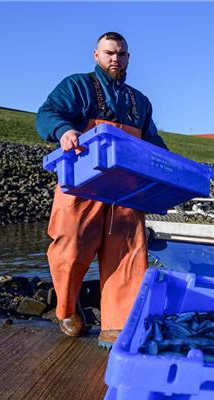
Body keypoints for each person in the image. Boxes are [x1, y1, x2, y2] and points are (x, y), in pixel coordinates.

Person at [35, 31, 167, 348]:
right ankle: (67, 308)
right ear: (96, 55)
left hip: (127, 192)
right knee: (70, 247)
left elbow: (152, 143)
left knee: (128, 255)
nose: (115, 59)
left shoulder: (140, 102)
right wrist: (64, 130)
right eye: (109, 53)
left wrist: (167, 166)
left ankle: (118, 328)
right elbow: (47, 114)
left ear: (128, 57)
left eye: (121, 54)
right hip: (82, 187)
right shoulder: (77, 86)